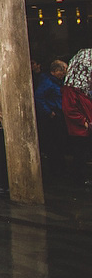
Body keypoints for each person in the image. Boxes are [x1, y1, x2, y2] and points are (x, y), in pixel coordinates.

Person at [62, 49, 92, 186]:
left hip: (86, 127)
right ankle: (79, 179)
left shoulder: (84, 87)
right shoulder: (71, 88)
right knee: (80, 154)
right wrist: (84, 122)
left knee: (83, 154)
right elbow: (70, 109)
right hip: (79, 129)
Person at [35, 59, 68, 176]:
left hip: (59, 114)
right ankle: (56, 170)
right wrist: (49, 112)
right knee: (53, 143)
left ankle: (60, 168)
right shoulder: (47, 81)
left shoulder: (58, 81)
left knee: (59, 142)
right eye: (62, 72)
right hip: (51, 117)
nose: (64, 74)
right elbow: (39, 97)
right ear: (55, 71)